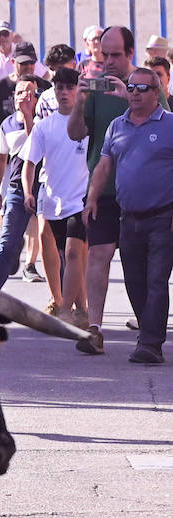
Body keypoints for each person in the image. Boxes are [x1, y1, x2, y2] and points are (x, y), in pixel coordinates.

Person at [70, 26, 155, 354]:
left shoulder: (147, 84)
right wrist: (80, 102)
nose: (108, 61)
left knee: (140, 262)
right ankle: (95, 329)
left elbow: (161, 126)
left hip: (141, 192)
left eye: (116, 55)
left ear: (130, 53)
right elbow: (76, 133)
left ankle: (148, 330)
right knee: (99, 253)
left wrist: (129, 98)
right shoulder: (97, 89)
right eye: (104, 54)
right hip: (102, 191)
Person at [82, 65, 173, 363]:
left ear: (156, 92)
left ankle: (150, 343)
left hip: (163, 218)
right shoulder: (116, 126)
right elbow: (104, 165)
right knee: (135, 281)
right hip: (128, 217)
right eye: (130, 88)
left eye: (141, 88)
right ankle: (148, 333)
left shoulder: (169, 124)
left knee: (157, 280)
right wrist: (92, 197)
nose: (133, 93)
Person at [20, 67, 89, 324]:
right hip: (51, 200)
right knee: (62, 253)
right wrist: (28, 191)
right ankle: (77, 307)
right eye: (59, 87)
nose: (64, 92)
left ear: (78, 90)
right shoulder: (44, 127)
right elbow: (30, 162)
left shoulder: (87, 124)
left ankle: (66, 310)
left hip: (80, 199)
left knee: (73, 253)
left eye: (69, 87)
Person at [0, 76, 43, 289]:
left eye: (29, 92)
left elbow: (35, 148)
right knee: (7, 243)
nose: (24, 96)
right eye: (20, 92)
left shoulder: (42, 120)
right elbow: (1, 159)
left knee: (53, 247)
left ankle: (65, 300)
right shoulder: (7, 124)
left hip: (43, 188)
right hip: (17, 189)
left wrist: (29, 117)